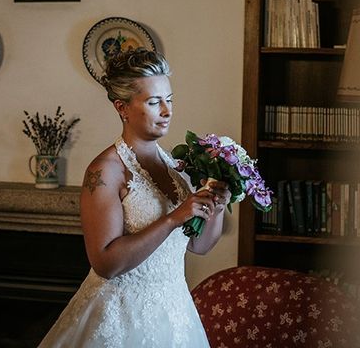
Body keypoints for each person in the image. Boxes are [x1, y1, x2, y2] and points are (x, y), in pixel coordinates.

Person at [39, 48, 230, 347]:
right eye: (154, 102)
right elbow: (105, 263)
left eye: (170, 100)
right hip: (122, 316)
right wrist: (173, 218)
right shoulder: (105, 171)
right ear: (122, 107)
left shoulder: (175, 167)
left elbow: (199, 245)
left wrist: (217, 206)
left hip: (175, 312)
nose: (167, 111)